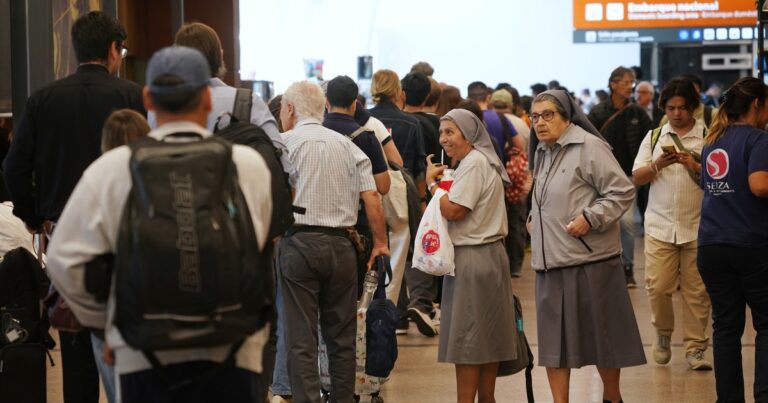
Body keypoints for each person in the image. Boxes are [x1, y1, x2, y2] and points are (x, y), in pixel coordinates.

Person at [46, 46, 273, 403]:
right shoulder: (247, 165)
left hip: (142, 353)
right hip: (233, 350)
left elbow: (62, 261)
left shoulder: (112, 168)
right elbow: (254, 243)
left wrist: (110, 325)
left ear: (148, 99)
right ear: (207, 99)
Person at [3, 11, 144, 403]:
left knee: (74, 335)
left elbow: (14, 168)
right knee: (127, 337)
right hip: (124, 234)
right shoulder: (132, 97)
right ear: (114, 51)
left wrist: (34, 217)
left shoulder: (43, 100)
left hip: (62, 231)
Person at [528, 90, 645, 403]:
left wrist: (590, 218)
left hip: (590, 263)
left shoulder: (590, 147)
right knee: (553, 345)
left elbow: (622, 192)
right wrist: (533, 220)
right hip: (550, 264)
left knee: (604, 339)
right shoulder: (542, 151)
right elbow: (546, 197)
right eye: (535, 116)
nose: (540, 122)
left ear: (567, 117)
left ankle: (612, 398)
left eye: (548, 115)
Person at [278, 81, 389, 403]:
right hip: (342, 246)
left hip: (298, 245)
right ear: (323, 107)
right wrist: (380, 242)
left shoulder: (284, 144)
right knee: (341, 336)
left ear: (289, 109)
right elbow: (372, 196)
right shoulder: (348, 146)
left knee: (301, 337)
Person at [424, 108, 517, 403]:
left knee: (467, 340)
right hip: (490, 257)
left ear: (470, 134)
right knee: (486, 339)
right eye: (441, 133)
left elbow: (454, 210)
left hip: (472, 259)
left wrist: (431, 185)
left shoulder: (474, 163)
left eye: (450, 132)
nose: (444, 139)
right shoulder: (479, 161)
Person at [632, 78, 712, 371]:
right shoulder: (654, 137)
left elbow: (718, 178)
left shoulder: (708, 136)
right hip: (659, 225)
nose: (677, 113)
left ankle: (695, 348)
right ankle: (663, 334)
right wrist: (658, 165)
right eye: (671, 108)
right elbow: (636, 177)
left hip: (698, 225)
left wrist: (694, 165)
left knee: (697, 291)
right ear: (664, 108)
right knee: (659, 287)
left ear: (693, 108)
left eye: (682, 108)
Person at [697, 77, 768, 403]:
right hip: (751, 243)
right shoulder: (758, 140)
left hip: (711, 244)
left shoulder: (714, 140)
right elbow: (759, 186)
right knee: (766, 326)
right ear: (757, 104)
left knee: (726, 328)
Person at [170, 22, 292, 177]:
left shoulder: (163, 108)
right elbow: (284, 167)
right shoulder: (248, 103)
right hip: (241, 196)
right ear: (220, 56)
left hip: (182, 195)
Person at [588, 66, 653, 288]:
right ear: (613, 84)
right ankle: (604, 266)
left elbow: (650, 140)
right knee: (602, 222)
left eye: (631, 82)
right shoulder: (597, 112)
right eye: (626, 82)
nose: (630, 86)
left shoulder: (637, 113)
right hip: (601, 176)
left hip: (627, 177)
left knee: (626, 224)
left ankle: (627, 268)